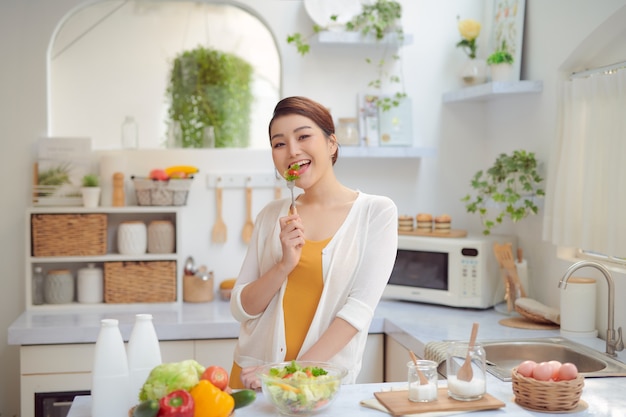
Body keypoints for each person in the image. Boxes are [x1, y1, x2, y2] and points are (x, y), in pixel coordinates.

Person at [229, 96, 398, 389]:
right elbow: (242, 308)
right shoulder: (271, 216)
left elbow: (357, 311)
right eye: (279, 143)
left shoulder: (376, 213)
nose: (292, 151)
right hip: (252, 381)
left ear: (331, 143)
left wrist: (288, 374)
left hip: (317, 385)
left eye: (304, 136)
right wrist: (284, 265)